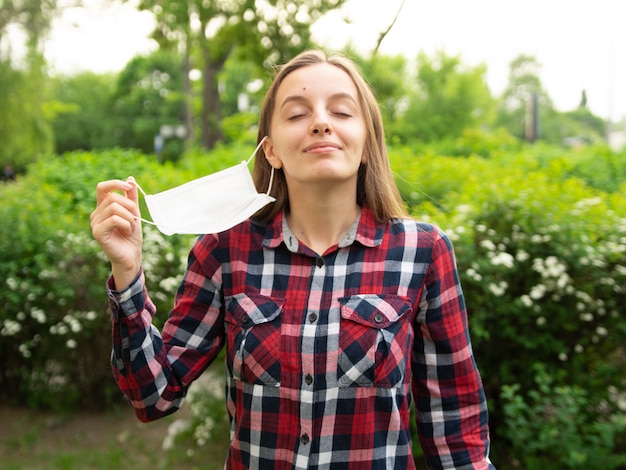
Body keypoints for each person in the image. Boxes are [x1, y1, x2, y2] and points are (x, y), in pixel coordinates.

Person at [90, 49, 495, 469]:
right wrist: (127, 272)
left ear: (367, 143)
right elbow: (153, 395)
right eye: (297, 114)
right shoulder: (224, 251)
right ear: (271, 151)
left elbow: (456, 431)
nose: (321, 122)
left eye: (341, 111)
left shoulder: (422, 251)